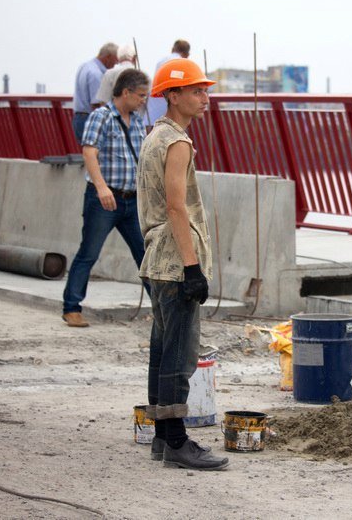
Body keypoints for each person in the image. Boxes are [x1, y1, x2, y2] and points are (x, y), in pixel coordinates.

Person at [137, 58, 228, 470]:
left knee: (161, 350)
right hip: (175, 262)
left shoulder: (155, 135)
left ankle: (160, 438)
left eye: (205, 90)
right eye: (196, 91)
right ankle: (176, 441)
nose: (204, 97)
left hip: (156, 259)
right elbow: (176, 206)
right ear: (172, 96)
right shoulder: (177, 142)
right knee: (179, 356)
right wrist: (193, 269)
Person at [62, 69, 150, 328]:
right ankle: (71, 308)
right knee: (88, 253)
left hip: (131, 199)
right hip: (104, 199)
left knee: (145, 255)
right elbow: (89, 153)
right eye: (141, 95)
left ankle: (164, 309)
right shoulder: (100, 117)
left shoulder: (136, 120)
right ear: (126, 92)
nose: (144, 100)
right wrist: (101, 188)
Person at [72, 42, 118, 144]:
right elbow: (97, 104)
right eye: (114, 61)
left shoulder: (84, 66)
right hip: (89, 119)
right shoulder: (96, 74)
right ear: (108, 57)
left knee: (87, 152)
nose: (114, 66)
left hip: (78, 117)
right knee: (95, 154)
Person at [146, 39, 190, 129]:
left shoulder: (160, 62)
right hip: (169, 117)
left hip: (151, 115)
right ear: (187, 54)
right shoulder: (181, 62)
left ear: (172, 49)